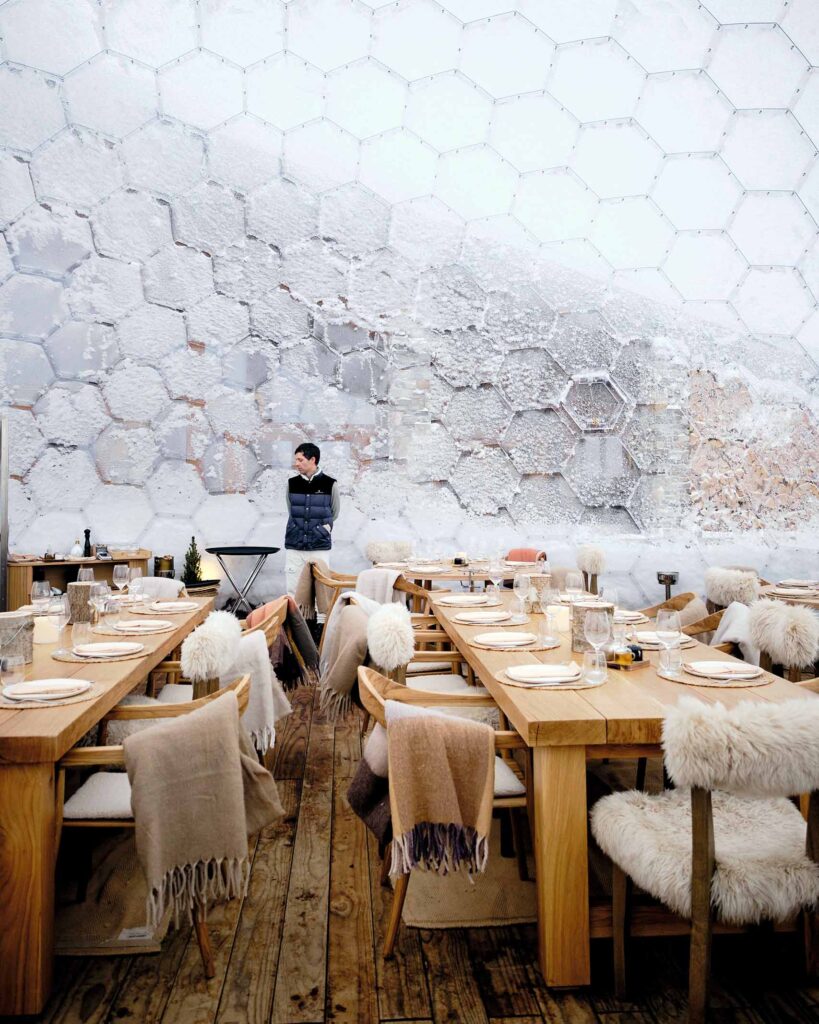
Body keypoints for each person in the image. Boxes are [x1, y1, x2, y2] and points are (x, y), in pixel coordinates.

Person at [284, 442, 341, 595]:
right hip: (295, 544)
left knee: (321, 589)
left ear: (313, 460)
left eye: (300, 460)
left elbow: (334, 512)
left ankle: (321, 619)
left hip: (319, 544)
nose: (296, 464)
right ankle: (294, 618)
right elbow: (292, 510)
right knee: (293, 587)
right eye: (295, 460)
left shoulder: (330, 484)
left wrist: (321, 530)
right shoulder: (292, 484)